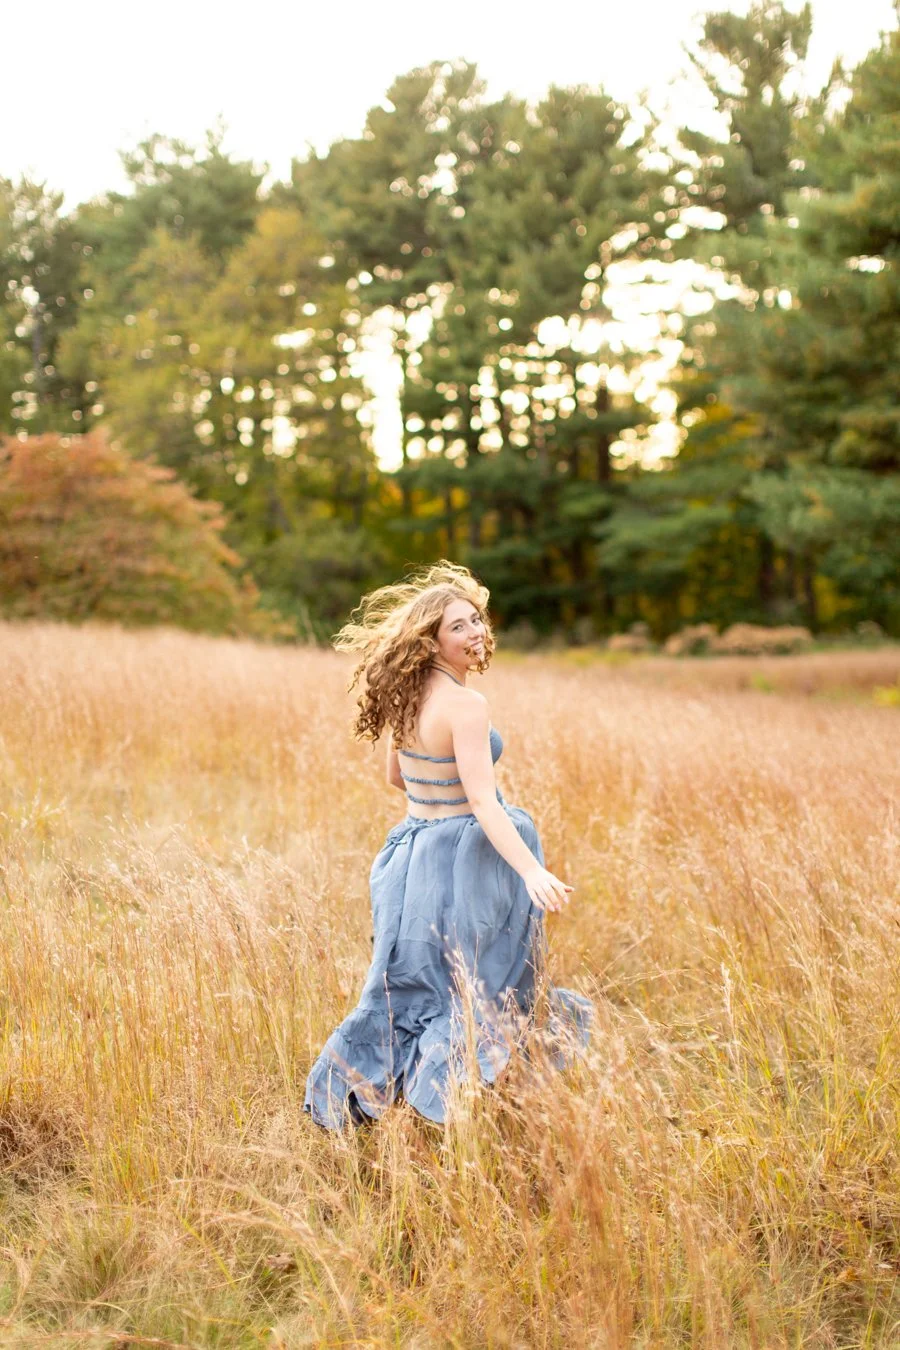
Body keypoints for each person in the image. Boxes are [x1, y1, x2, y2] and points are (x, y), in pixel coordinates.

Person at [304, 561, 593, 1130]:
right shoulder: (467, 705)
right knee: (476, 987)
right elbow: (484, 804)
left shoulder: (408, 695)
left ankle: (365, 1101)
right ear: (430, 639)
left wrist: (433, 799)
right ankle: (443, 1110)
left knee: (410, 988)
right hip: (468, 863)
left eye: (477, 621)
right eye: (458, 626)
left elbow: (396, 776)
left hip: (411, 857)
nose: (476, 633)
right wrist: (532, 869)